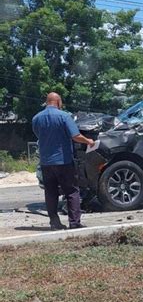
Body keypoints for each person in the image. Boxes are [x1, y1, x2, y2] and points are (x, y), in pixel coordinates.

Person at [32, 93, 95, 230]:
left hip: (46, 162)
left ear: (47, 102)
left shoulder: (36, 118)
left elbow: (38, 135)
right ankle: (74, 222)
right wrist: (88, 141)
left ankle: (54, 223)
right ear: (58, 102)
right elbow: (75, 136)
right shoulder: (64, 116)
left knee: (50, 192)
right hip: (64, 161)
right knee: (72, 191)